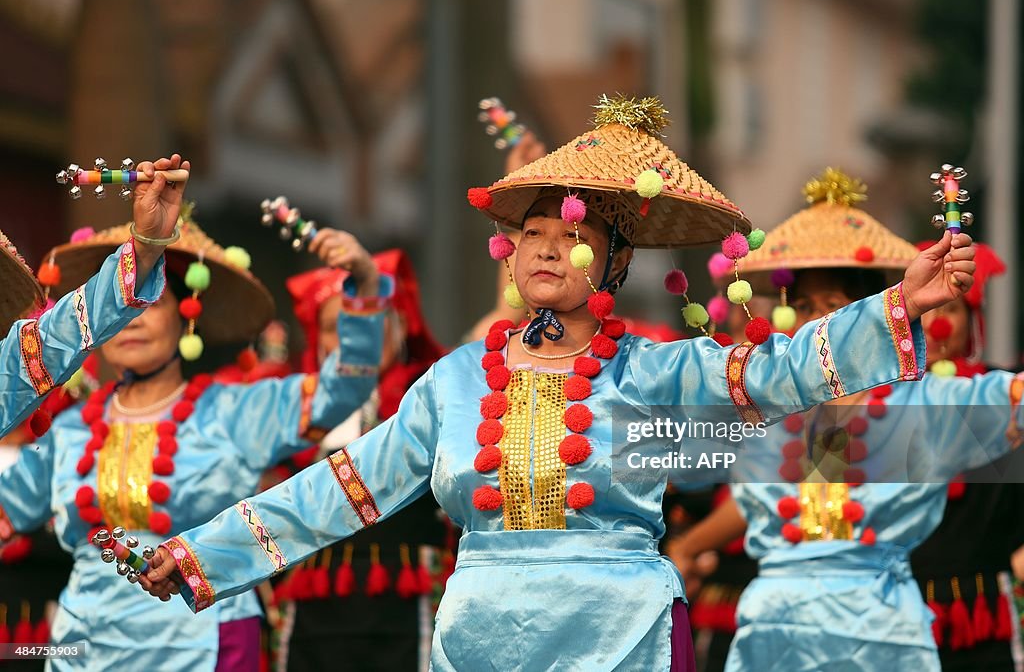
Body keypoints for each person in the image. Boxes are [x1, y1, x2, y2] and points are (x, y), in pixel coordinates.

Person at [141, 97, 974, 672]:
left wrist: (898, 304)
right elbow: (340, 486)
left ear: (613, 259)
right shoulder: (455, 381)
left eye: (567, 233)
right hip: (483, 634)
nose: (543, 246)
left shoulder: (654, 370)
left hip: (623, 632)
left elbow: (776, 371)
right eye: (529, 232)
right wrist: (200, 551)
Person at [0, 213, 389, 671]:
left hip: (204, 639)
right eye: (123, 309)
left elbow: (342, 388)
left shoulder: (237, 412)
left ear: (187, 313)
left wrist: (364, 286)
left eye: (153, 303)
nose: (133, 322)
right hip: (85, 647)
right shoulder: (71, 431)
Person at [670, 169, 1022, 671]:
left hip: (878, 635)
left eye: (835, 306)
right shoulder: (764, 410)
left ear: (872, 315)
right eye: (807, 306)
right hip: (774, 639)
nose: (819, 322)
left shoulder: (924, 407)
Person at [271, 249, 449, 671]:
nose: (356, 335)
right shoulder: (293, 409)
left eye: (371, 317)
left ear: (402, 324)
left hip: (408, 615)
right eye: (336, 326)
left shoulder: (433, 400)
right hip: (313, 620)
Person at [0, 156, 183, 438]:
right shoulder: (67, 444)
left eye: (157, 306)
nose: (137, 325)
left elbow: (61, 334)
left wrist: (146, 246)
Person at [911, 242, 1024, 670]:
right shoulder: (882, 403)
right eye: (930, 308)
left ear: (973, 322)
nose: (939, 323)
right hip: (898, 607)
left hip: (984, 606)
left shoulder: (1002, 396)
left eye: (953, 309)